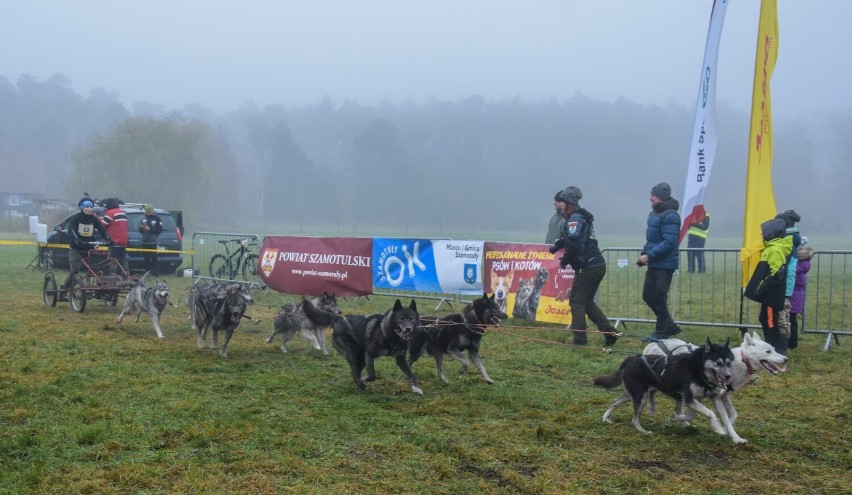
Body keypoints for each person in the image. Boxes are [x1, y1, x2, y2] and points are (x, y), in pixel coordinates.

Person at [549, 186, 618, 347]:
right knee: (586, 303)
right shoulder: (576, 218)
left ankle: (580, 341)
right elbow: (571, 238)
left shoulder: (575, 219)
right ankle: (610, 334)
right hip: (595, 265)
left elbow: (574, 243)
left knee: (576, 302)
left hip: (588, 267)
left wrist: (565, 260)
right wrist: (556, 246)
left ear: (568, 203)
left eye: (561, 202)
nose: (558, 205)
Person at [636, 182, 681, 341]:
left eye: (653, 196)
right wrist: (644, 252)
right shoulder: (653, 215)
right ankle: (670, 325)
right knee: (648, 296)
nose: (651, 198)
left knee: (659, 298)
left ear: (661, 197)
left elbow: (669, 242)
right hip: (654, 262)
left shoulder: (671, 216)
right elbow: (652, 240)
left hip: (665, 265)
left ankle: (662, 332)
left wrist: (649, 255)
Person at [745, 218, 792, 353]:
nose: (761, 235)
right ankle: (770, 345)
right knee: (764, 318)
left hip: (772, 295)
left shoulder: (775, 250)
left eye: (763, 232)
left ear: (771, 233)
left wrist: (761, 289)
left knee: (770, 320)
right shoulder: (771, 248)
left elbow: (777, 274)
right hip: (768, 294)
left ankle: (772, 348)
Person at [61, 196, 110, 295]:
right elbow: (71, 230)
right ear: (82, 207)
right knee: (74, 271)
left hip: (89, 248)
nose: (89, 209)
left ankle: (101, 290)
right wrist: (76, 239)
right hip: (76, 249)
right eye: (86, 207)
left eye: (91, 207)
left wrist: (108, 238)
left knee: (98, 268)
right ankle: (63, 292)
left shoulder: (94, 219)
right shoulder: (76, 218)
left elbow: (102, 230)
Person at [775, 209, 801, 354]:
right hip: (786, 287)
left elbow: (787, 271)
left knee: (782, 317)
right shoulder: (792, 243)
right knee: (784, 316)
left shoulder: (788, 245)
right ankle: (785, 344)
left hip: (784, 288)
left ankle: (782, 347)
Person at [789, 238, 812, 350]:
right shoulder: (804, 265)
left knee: (791, 320)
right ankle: (792, 343)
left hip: (793, 297)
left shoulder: (797, 267)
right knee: (791, 320)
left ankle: (792, 343)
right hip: (797, 297)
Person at [101, 198, 129, 276]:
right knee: (123, 259)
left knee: (113, 260)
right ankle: (126, 275)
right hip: (123, 241)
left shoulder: (110, 213)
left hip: (114, 241)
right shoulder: (122, 213)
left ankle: (112, 276)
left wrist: (99, 218)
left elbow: (102, 225)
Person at [139, 204, 163, 278]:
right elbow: (140, 230)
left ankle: (155, 274)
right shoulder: (143, 218)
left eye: (149, 212)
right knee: (146, 259)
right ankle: (146, 274)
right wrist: (142, 228)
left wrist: (150, 229)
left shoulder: (157, 218)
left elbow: (159, 230)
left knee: (154, 259)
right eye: (147, 212)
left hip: (153, 242)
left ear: (152, 211)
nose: (148, 213)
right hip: (145, 242)